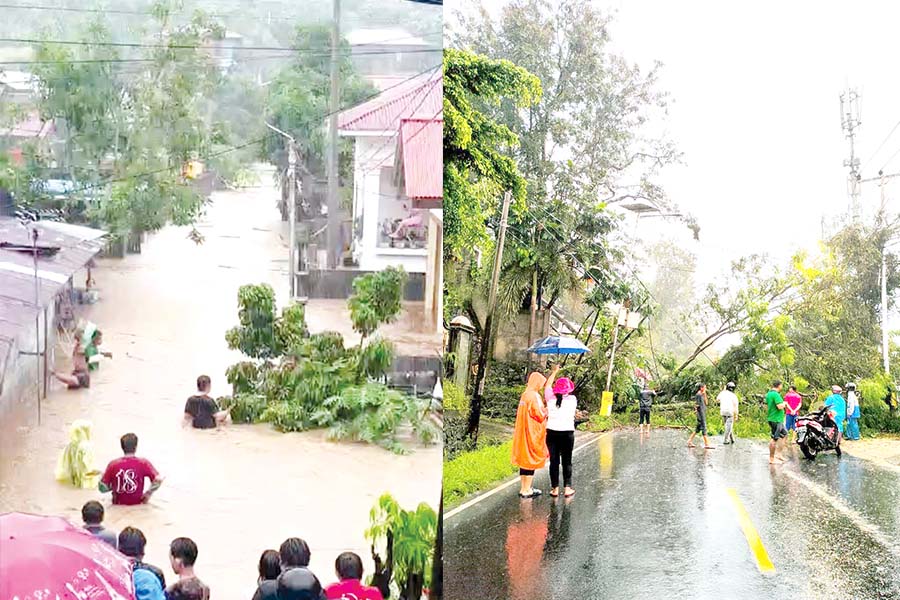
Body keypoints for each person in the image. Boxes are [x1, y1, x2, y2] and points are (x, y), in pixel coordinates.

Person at [511, 370, 550, 498]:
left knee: (524, 459)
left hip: (523, 431)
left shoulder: (525, 395)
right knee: (530, 460)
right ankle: (527, 490)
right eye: (541, 383)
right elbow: (539, 414)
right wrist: (547, 411)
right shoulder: (534, 396)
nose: (541, 386)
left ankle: (524, 487)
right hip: (532, 432)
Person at [99, 433, 164, 505]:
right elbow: (159, 479)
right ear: (136, 447)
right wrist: (148, 493)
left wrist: (109, 482)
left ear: (122, 447)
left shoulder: (113, 464)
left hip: (118, 505)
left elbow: (102, 489)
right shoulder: (143, 463)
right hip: (138, 505)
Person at [544, 365, 577, 498]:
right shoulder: (573, 400)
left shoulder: (550, 398)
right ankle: (567, 488)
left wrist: (554, 372)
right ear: (568, 389)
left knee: (554, 461)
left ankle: (555, 489)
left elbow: (547, 385)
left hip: (552, 433)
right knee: (567, 461)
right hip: (567, 434)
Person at [55, 420, 100, 488]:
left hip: (73, 474)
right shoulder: (87, 447)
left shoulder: (70, 445)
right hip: (84, 479)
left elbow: (65, 463)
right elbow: (88, 465)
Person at [766, 380, 788, 464]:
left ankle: (779, 454)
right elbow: (779, 406)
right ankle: (771, 458)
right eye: (781, 385)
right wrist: (784, 403)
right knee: (774, 438)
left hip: (775, 419)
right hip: (776, 420)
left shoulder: (769, 394)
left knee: (785, 434)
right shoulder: (776, 395)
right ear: (779, 385)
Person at [687, 383, 713, 449]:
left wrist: (705, 394)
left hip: (703, 413)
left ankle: (689, 441)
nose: (705, 389)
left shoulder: (702, 394)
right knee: (704, 428)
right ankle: (707, 444)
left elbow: (706, 403)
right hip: (701, 414)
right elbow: (697, 405)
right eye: (705, 387)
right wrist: (696, 412)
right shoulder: (698, 395)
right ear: (701, 388)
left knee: (697, 429)